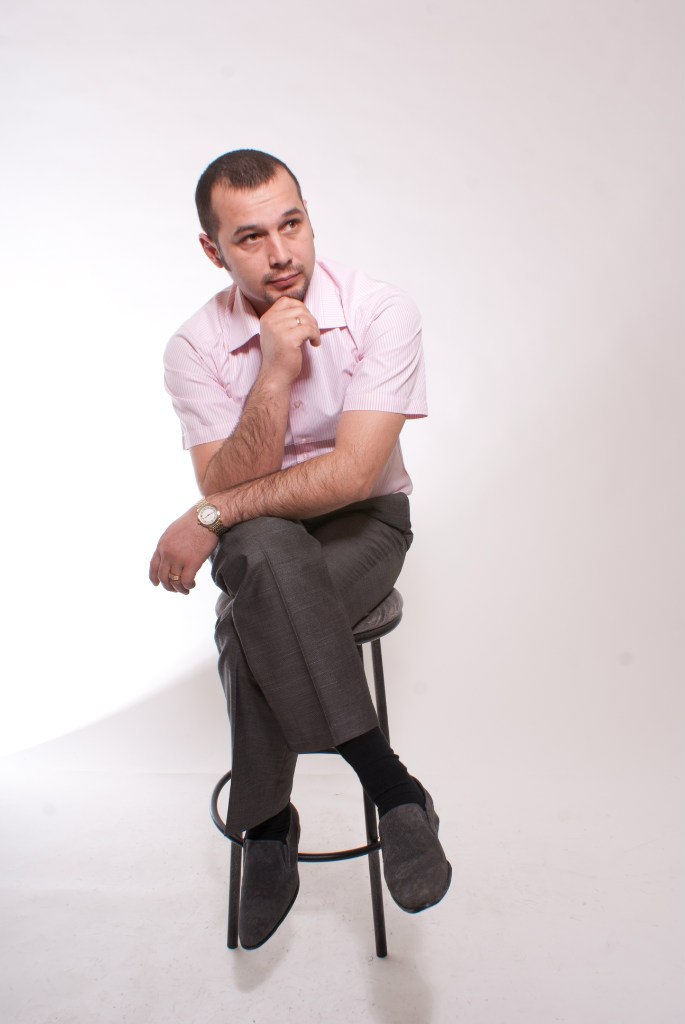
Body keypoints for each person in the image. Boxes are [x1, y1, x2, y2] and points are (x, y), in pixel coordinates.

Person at [149, 149, 451, 949]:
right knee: (264, 554)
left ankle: (267, 825)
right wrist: (276, 372)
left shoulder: (380, 310)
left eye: (292, 224)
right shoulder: (194, 347)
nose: (281, 253)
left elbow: (350, 476)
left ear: (309, 217)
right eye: (250, 238)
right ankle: (393, 790)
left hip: (365, 524)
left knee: (249, 612)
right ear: (213, 250)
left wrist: (209, 515)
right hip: (258, 542)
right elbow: (226, 483)